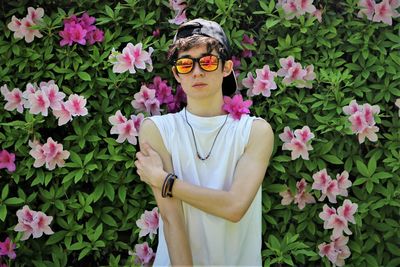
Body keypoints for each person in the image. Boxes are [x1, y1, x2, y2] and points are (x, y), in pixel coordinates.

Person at [135, 18, 274, 266]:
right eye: (186, 64)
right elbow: (171, 219)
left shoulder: (255, 131)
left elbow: (234, 207)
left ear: (226, 67)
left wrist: (164, 180)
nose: (197, 71)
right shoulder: (157, 130)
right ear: (177, 74)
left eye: (207, 61)